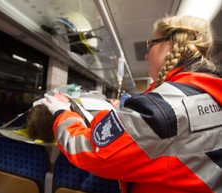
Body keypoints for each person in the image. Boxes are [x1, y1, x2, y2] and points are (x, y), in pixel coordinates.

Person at [41, 15, 222, 193]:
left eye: (150, 44)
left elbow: (90, 149)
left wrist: (62, 112)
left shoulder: (164, 108)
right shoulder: (210, 94)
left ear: (170, 45)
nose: (146, 54)